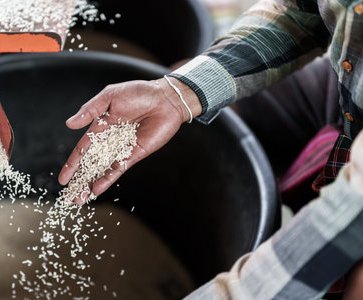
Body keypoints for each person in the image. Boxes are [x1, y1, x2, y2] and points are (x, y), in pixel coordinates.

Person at [58, 0, 363, 297]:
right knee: (190, 86)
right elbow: (301, 10)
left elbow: (343, 224)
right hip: (349, 91)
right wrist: (177, 93)